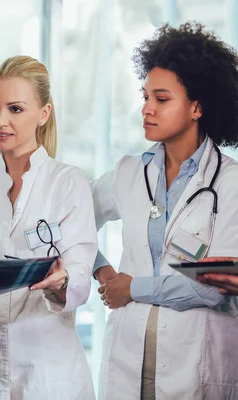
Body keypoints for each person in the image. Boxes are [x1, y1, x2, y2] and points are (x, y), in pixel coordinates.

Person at [92, 22, 238, 399]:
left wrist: (131, 288)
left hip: (196, 362)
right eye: (145, 97)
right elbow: (70, 219)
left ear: (197, 106)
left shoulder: (230, 183)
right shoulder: (129, 172)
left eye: (161, 99)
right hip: (129, 358)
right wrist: (101, 269)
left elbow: (215, 286)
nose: (146, 109)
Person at [0, 55, 97, 399]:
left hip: (47, 372)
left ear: (43, 114)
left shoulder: (68, 183)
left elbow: (81, 277)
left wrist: (61, 284)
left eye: (15, 109)